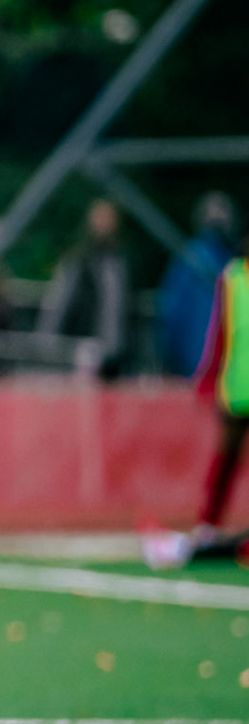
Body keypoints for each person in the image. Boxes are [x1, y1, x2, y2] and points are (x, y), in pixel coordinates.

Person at [144, 243, 249, 570]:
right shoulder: (232, 278)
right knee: (226, 461)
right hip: (237, 386)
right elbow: (220, 330)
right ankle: (208, 527)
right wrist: (208, 374)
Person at [37, 199, 131, 380]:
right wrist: (47, 342)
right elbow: (59, 303)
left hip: (113, 352)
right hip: (81, 347)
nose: (104, 224)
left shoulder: (120, 261)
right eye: (99, 218)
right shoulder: (78, 260)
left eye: (108, 218)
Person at [157, 192, 238, 378]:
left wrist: (168, 357)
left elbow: (171, 313)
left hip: (190, 365)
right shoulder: (234, 265)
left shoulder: (187, 258)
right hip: (228, 369)